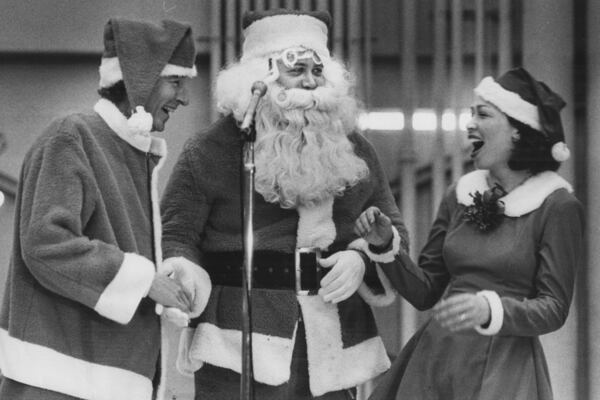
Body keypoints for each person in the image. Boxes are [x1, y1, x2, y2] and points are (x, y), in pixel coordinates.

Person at [161, 9, 409, 400]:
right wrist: (183, 275)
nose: (310, 82)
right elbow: (176, 235)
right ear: (261, 78)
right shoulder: (209, 149)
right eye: (297, 70)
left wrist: (361, 259)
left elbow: (395, 234)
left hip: (331, 339)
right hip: (236, 339)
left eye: (318, 70)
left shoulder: (356, 149)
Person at [0, 18, 199, 400]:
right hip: (57, 383)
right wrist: (145, 281)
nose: (185, 98)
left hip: (109, 380)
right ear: (140, 79)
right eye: (175, 82)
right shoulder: (72, 136)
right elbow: (46, 243)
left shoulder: (130, 154)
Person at [356, 67, 584, 400]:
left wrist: (489, 310)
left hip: (505, 367)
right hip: (436, 357)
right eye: (470, 114)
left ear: (518, 131)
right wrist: (385, 246)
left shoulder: (557, 205)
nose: (470, 123)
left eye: (483, 114)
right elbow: (425, 292)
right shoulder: (458, 194)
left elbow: (553, 308)